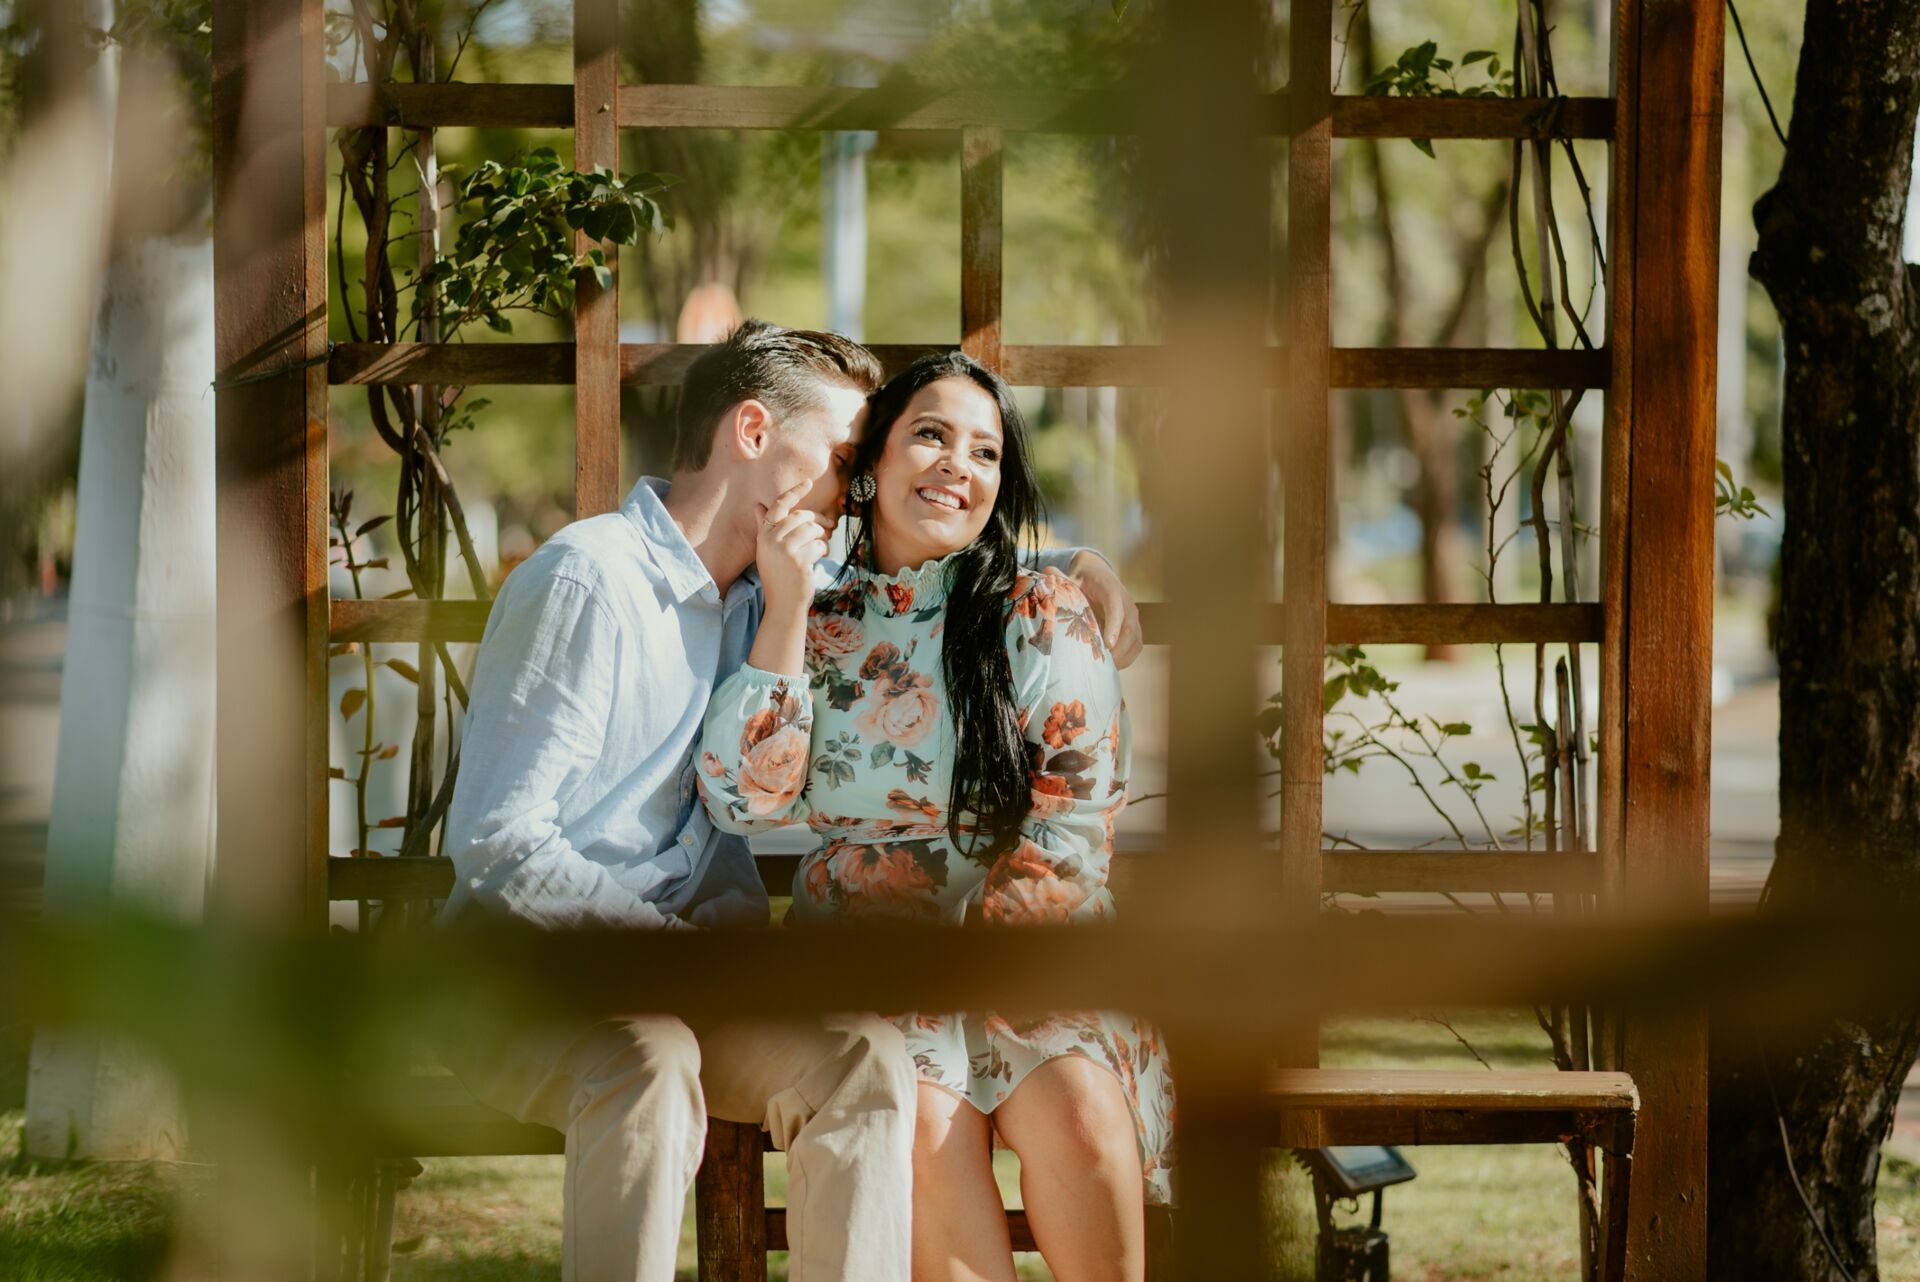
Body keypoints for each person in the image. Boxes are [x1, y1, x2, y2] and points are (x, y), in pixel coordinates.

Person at [436, 321, 1143, 1282]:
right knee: (647, 1063)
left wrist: (1071, 564)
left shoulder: (763, 597)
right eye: (851, 456)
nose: (858, 483)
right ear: (756, 433)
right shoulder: (589, 581)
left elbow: (927, 591)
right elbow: (500, 840)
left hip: (705, 987)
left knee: (864, 1064)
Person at [698, 350, 1173, 1282]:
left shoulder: (1040, 609)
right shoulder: (811, 618)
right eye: (931, 434)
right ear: (871, 463)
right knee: (909, 1119)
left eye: (986, 452)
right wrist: (788, 613)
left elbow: (1073, 830)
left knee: (1080, 1113)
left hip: (1035, 949)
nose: (960, 464)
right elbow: (742, 797)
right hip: (870, 967)